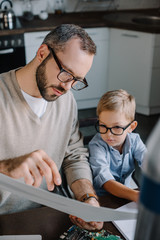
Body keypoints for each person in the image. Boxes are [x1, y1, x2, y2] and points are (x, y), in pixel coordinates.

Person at [0, 24, 103, 230]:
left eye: (76, 80)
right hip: (6, 221)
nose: (67, 87)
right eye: (66, 73)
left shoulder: (66, 101)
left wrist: (87, 197)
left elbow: (74, 156)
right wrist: (6, 167)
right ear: (42, 53)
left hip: (54, 214)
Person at [88, 89, 147, 202]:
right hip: (102, 199)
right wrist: (135, 195)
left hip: (126, 195)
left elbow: (149, 165)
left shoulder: (135, 141)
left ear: (131, 127)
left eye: (117, 127)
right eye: (103, 126)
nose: (109, 134)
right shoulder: (97, 145)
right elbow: (106, 182)